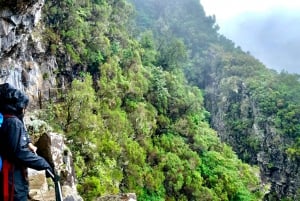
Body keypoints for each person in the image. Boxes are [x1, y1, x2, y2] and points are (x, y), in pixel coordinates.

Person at [0, 83, 53, 201]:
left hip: (9, 170)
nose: (24, 109)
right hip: (12, 174)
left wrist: (28, 142)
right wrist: (43, 163)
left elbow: (20, 134)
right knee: (17, 196)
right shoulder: (13, 123)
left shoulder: (8, 119)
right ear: (17, 106)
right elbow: (19, 153)